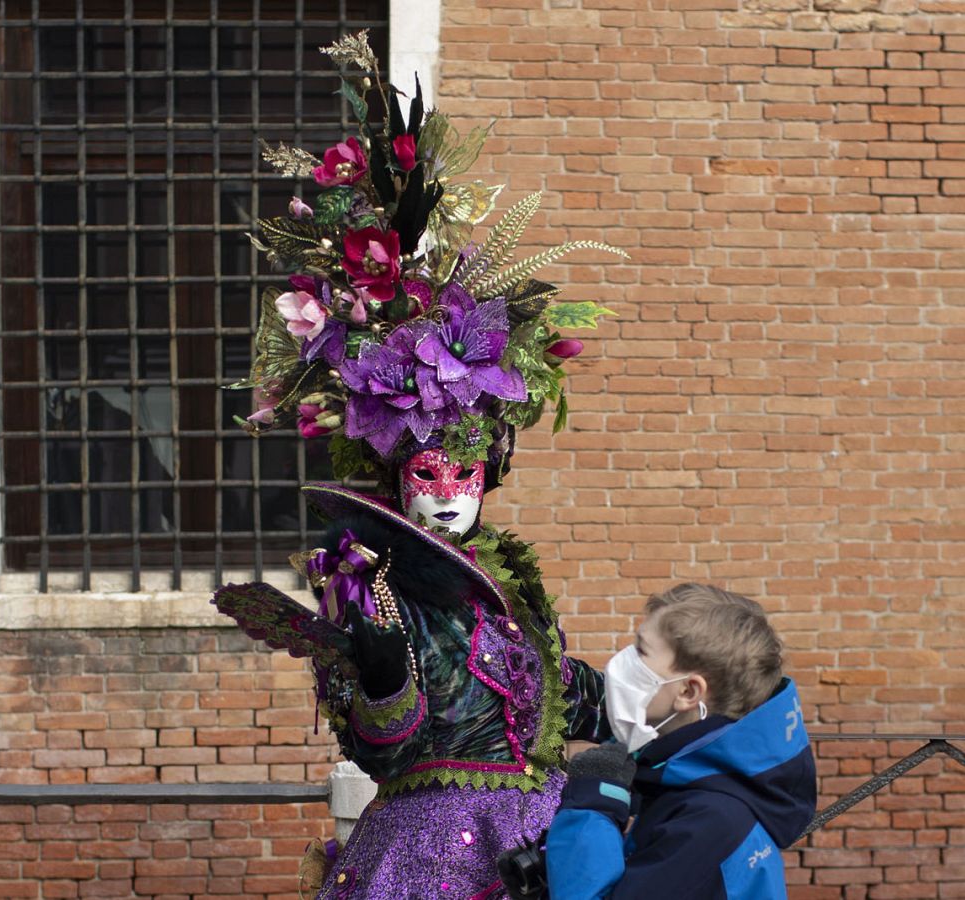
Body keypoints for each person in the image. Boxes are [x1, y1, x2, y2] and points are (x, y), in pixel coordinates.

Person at [211, 30, 626, 899]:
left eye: (463, 478)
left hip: (544, 846)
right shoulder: (374, 584)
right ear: (395, 474)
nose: (446, 498)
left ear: (490, 476)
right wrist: (383, 669)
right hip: (434, 854)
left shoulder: (510, 583)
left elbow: (561, 702)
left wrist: (675, 698)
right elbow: (383, 742)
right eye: (427, 476)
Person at [544, 584, 818, 899]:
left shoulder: (709, 822)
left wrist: (591, 807)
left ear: (688, 692)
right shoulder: (691, 784)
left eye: (641, 651)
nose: (623, 661)